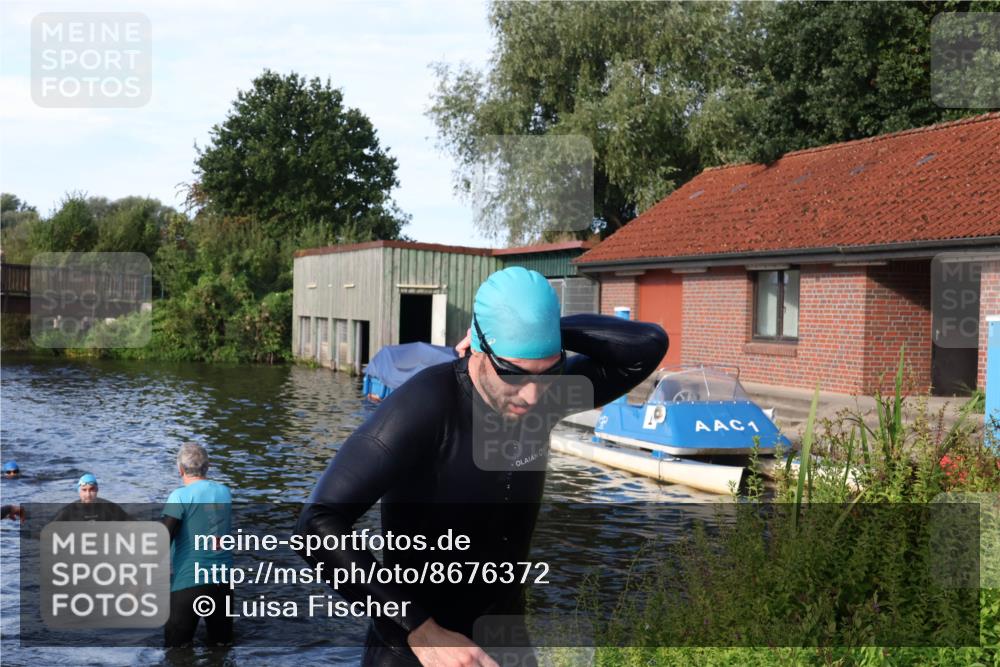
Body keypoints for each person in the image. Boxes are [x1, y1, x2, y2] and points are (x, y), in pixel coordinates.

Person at [296, 267, 668, 666]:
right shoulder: (425, 405)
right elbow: (317, 524)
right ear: (478, 349)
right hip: (415, 648)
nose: (531, 395)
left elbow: (646, 347)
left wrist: (543, 329)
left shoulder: (544, 397)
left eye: (549, 371)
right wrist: (421, 630)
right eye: (513, 372)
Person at [161, 443, 233, 648]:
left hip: (189, 583)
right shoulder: (225, 493)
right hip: (223, 584)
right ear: (207, 467)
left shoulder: (179, 497)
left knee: (176, 651)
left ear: (180, 469)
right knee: (222, 649)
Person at [52, 473, 131, 522]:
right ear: (79, 491)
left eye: (92, 489)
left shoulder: (109, 507)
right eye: (84, 490)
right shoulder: (68, 512)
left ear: (97, 490)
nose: (88, 494)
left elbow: (131, 523)